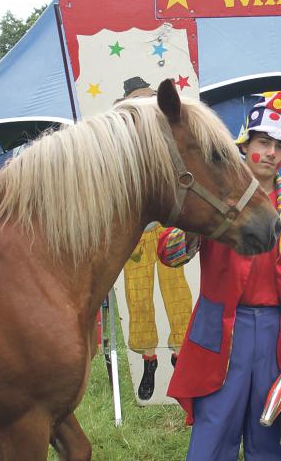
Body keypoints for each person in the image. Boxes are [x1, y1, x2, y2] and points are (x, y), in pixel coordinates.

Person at [157, 91, 281, 460]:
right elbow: (168, 254)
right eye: (264, 142)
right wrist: (196, 229)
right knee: (215, 424)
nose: (272, 153)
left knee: (275, 425)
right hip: (225, 328)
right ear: (245, 146)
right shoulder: (218, 194)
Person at [115, 77, 193, 400]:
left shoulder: (169, 137)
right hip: (137, 231)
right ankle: (149, 359)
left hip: (167, 226)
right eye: (138, 100)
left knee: (176, 291)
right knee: (138, 294)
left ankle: (180, 354)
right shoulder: (120, 144)